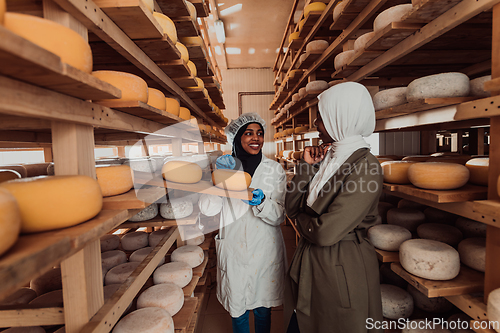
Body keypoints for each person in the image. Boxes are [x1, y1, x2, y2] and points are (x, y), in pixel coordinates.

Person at [284, 82, 384, 333]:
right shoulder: (329, 157)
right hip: (314, 261)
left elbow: (325, 232)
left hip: (341, 265)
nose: (316, 124)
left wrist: (301, 221)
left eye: (321, 117)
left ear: (341, 117)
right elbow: (292, 205)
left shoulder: (366, 167)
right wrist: (306, 167)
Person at [198, 113, 287, 333]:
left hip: (264, 246)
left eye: (259, 133)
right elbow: (208, 209)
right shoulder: (225, 168)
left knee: (263, 309)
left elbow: (279, 216)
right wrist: (219, 178)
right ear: (236, 137)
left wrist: (263, 202)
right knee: (237, 308)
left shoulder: (274, 170)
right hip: (234, 247)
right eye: (248, 133)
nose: (255, 138)